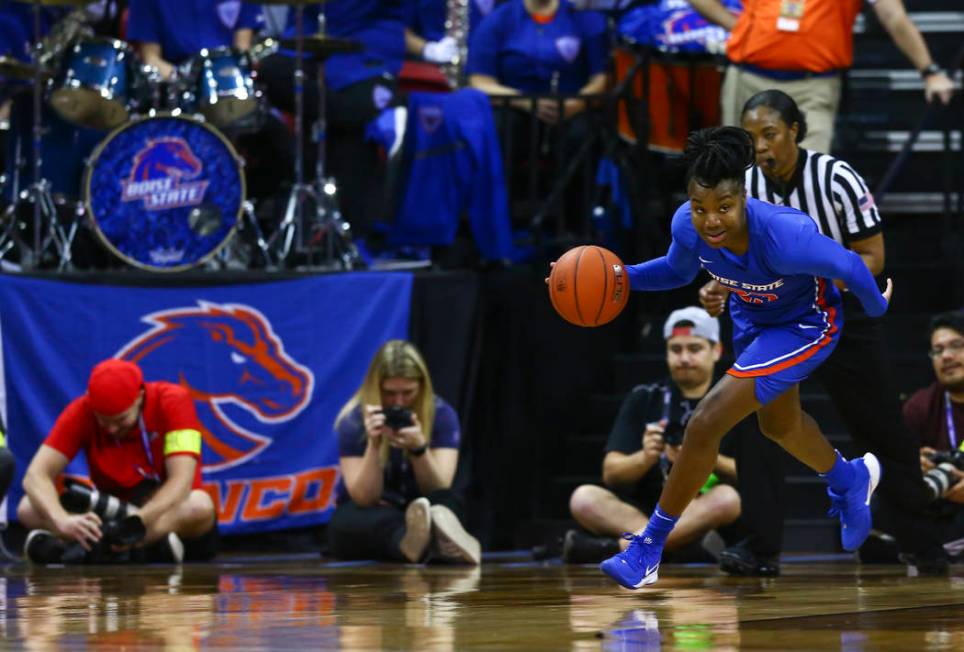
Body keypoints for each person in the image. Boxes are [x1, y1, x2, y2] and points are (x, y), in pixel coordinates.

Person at [595, 125, 891, 589]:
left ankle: (648, 548)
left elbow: (852, 265)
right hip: (753, 319)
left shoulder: (786, 233)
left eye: (724, 208)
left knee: (705, 422)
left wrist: (878, 305)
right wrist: (618, 277)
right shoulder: (687, 226)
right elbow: (675, 270)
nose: (711, 220)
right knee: (778, 426)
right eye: (700, 209)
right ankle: (849, 479)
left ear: (743, 198)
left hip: (806, 323)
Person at [698, 89, 949, 576]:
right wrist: (719, 287)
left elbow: (873, 258)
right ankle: (759, 545)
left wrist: (809, 277)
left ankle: (921, 543)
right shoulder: (742, 188)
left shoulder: (836, 178)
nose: (761, 146)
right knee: (758, 426)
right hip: (775, 320)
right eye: (750, 138)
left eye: (768, 134)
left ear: (795, 130)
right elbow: (732, 260)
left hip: (841, 315)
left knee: (881, 427)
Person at [564, 307, 741, 564]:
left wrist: (705, 458)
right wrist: (646, 457)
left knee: (727, 499)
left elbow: (751, 475)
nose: (684, 358)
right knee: (583, 498)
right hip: (644, 509)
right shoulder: (645, 397)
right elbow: (611, 472)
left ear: (716, 351)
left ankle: (618, 548)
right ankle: (676, 547)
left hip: (698, 509)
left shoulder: (733, 401)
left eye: (694, 349)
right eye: (676, 349)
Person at [687, 0, 955, 153]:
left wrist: (928, 70)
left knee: (807, 176)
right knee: (738, 174)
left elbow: (893, 15)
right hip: (747, 79)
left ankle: (798, 251)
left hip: (812, 87)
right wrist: (738, 27)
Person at [17, 359, 216, 564]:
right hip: (110, 514)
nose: (111, 429)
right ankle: (133, 548)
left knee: (200, 505)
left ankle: (87, 551)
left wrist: (138, 521)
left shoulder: (175, 401)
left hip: (159, 512)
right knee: (27, 508)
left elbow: (181, 482)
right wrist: (63, 521)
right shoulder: (81, 410)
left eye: (120, 419)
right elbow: (35, 475)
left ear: (139, 397)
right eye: (103, 420)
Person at [328, 339, 480, 565]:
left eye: (408, 393)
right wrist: (374, 444)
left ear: (422, 387)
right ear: (375, 388)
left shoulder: (441, 414)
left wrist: (419, 449)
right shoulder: (353, 420)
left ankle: (428, 537)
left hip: (427, 505)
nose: (398, 402)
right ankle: (418, 541)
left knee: (446, 505)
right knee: (344, 521)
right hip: (380, 513)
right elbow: (364, 497)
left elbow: (439, 488)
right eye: (389, 393)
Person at [466, 0, 609, 231]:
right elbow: (479, 81)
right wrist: (524, 101)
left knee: (582, 135)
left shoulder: (581, 18)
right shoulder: (500, 19)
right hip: (517, 107)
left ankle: (576, 231)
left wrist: (576, 104)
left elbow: (600, 79)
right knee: (500, 130)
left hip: (572, 108)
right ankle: (498, 231)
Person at [894, 311, 964, 556]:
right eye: (937, 350)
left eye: (956, 346)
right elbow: (895, 469)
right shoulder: (920, 405)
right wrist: (914, 465)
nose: (946, 356)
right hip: (938, 505)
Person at [127, 0, 264, 78]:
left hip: (229, 77)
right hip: (176, 83)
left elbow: (242, 50)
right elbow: (151, 59)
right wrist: (186, 82)